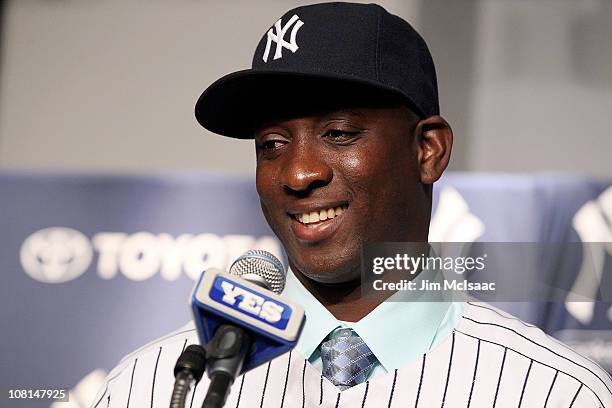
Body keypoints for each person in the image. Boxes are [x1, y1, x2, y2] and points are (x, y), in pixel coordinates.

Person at [92, 3, 612, 407]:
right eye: (272, 144)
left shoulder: (554, 392)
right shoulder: (155, 386)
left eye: (338, 133)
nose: (297, 173)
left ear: (427, 150)